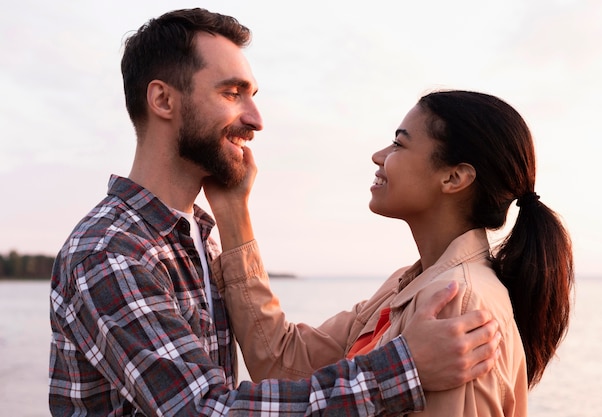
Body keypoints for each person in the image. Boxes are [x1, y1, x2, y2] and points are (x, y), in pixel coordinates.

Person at [48, 9, 501, 416]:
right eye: (232, 93)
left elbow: (280, 361)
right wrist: (404, 370)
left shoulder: (193, 240)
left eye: (252, 94)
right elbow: (207, 409)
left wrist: (233, 215)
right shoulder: (111, 252)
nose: (256, 118)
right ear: (163, 101)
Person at [205, 90, 574, 416]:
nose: (378, 156)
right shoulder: (408, 285)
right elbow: (285, 361)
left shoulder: (458, 302)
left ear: (454, 178)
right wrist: (233, 210)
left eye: (399, 144)